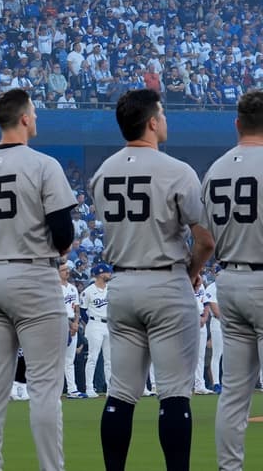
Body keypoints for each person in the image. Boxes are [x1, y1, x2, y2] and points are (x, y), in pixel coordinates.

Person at [0, 88, 76, 471]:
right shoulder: (43, 164)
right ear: (24, 118)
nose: (35, 119)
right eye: (33, 113)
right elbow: (64, 232)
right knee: (44, 388)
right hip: (33, 273)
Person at [91, 89, 215, 471]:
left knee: (120, 395)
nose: (165, 120)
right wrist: (192, 274)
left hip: (122, 283)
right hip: (165, 280)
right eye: (161, 114)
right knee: (175, 393)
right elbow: (205, 239)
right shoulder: (177, 170)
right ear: (152, 122)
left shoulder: (102, 171)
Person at [202, 89, 263, 470]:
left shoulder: (215, 168)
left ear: (237, 123)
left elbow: (205, 238)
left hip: (229, 280)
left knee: (234, 393)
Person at [81, 263, 112, 397]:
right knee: (93, 357)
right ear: (100, 274)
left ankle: (110, 388)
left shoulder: (110, 289)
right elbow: (82, 311)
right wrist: (91, 324)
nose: (109, 274)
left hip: (109, 324)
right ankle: (89, 387)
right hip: (95, 323)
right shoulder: (88, 291)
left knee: (109, 359)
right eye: (107, 272)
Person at [61, 264, 83, 399]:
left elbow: (77, 308)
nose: (67, 272)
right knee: (57, 360)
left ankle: (72, 389)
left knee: (69, 359)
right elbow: (56, 309)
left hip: (72, 323)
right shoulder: (54, 288)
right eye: (63, 270)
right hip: (59, 323)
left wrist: (75, 323)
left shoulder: (73, 288)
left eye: (67, 270)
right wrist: (71, 324)